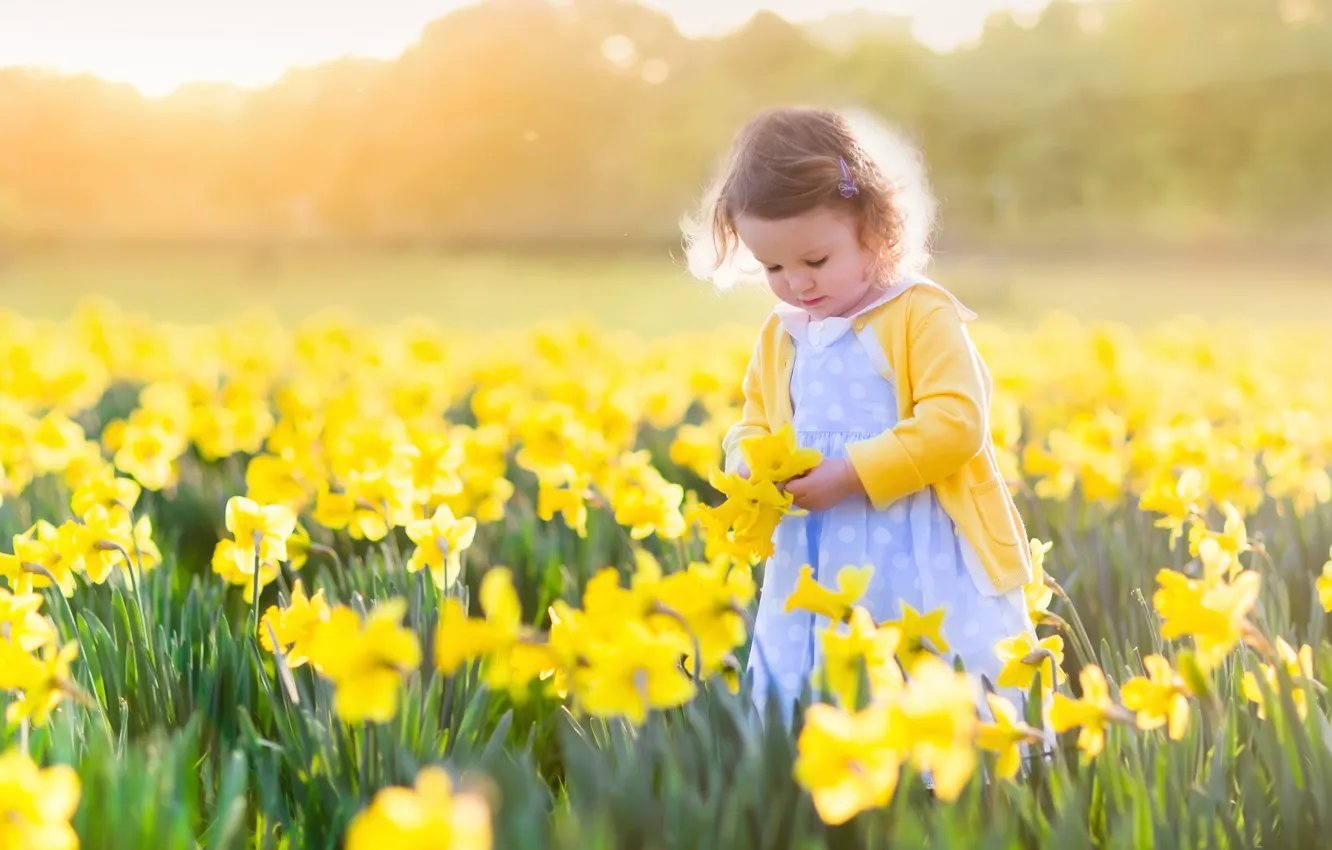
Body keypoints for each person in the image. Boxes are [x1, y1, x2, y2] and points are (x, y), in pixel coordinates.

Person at [682, 105, 1038, 722]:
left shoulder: (919, 313)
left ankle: (955, 770)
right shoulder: (784, 333)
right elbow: (754, 421)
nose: (797, 284)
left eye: (815, 261)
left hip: (920, 542)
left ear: (875, 231)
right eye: (773, 267)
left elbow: (956, 424)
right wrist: (746, 463)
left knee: (930, 680)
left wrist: (851, 475)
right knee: (821, 686)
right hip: (813, 551)